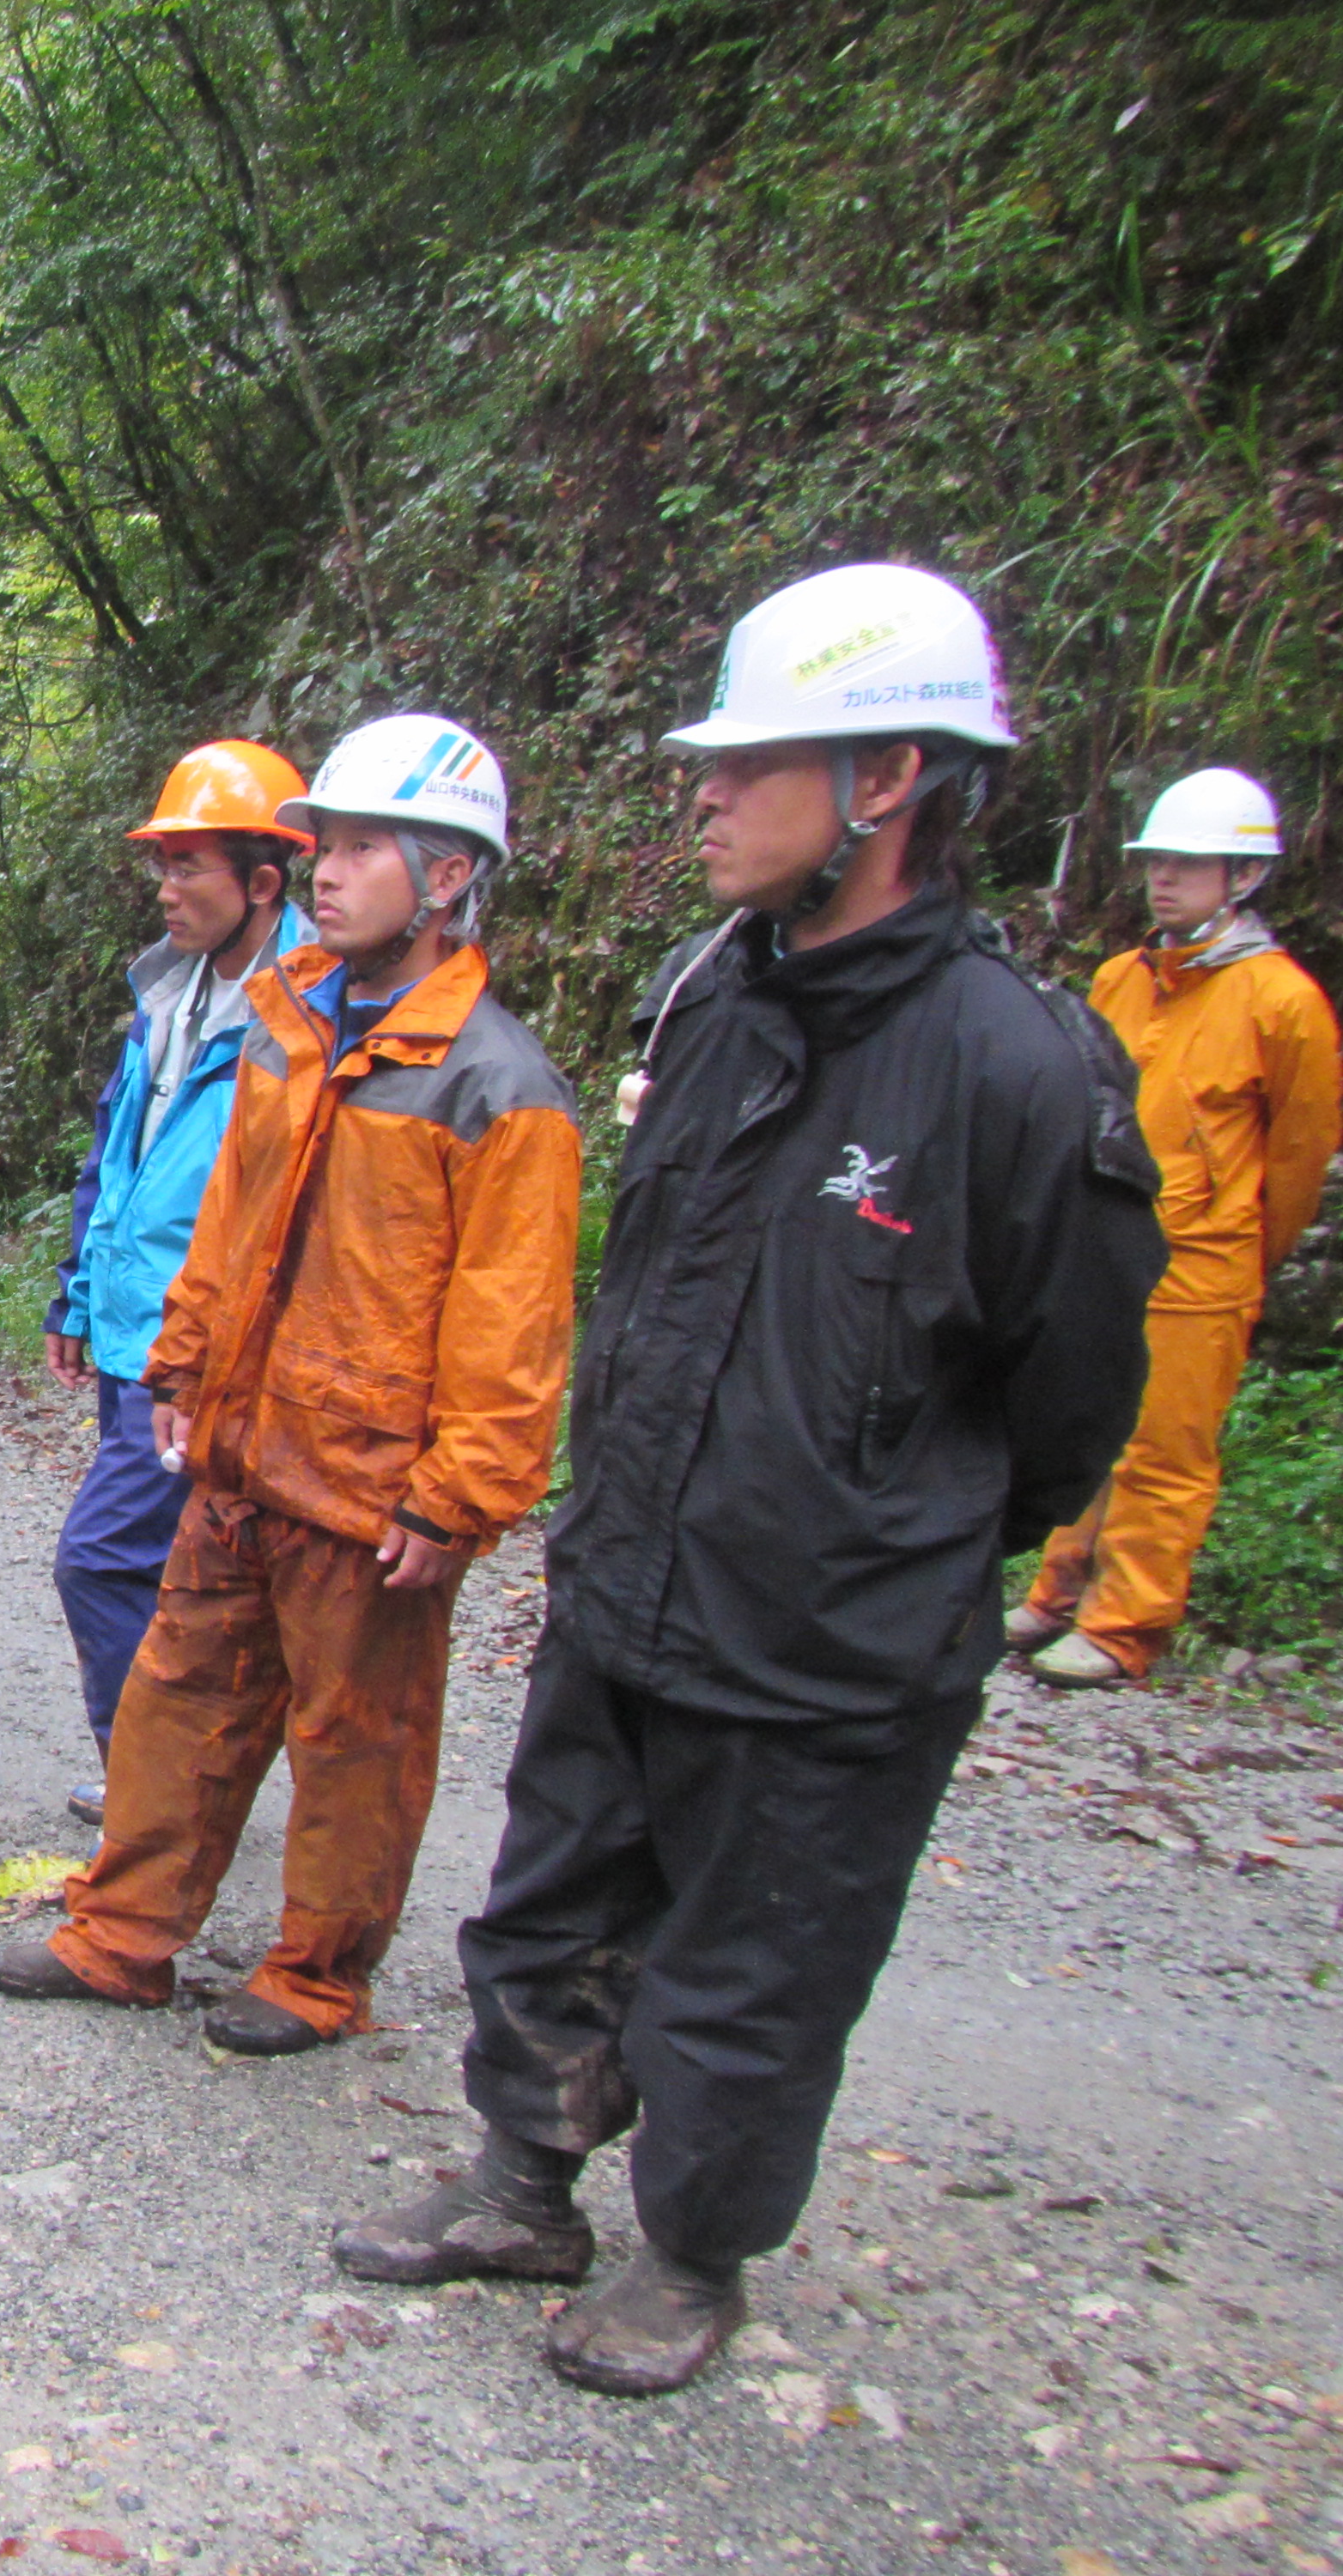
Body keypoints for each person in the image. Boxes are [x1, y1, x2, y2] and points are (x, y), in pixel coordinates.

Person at [333, 564, 1167, 2399]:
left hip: (833, 1638)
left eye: (747, 761)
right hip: (631, 1575)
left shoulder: (1017, 1071)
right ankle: (519, 2181)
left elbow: (1071, 1397)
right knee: (544, 1899)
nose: (697, 794)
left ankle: (690, 2255)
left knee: (749, 1971)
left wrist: (885, 1526)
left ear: (881, 781)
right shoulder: (703, 995)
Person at [0, 715, 580, 2056]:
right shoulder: (284, 1028)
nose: (325, 869)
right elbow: (228, 1229)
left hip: (372, 1492)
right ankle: (123, 1937)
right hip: (241, 1454)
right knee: (177, 1700)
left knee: (355, 1746)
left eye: (363, 848)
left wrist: (459, 1500)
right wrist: (184, 1370)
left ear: (446, 880)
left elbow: (515, 1324)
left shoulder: (498, 1085)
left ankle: (315, 1978)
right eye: (322, 844)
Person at [1014, 768, 1337, 1686]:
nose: (1164, 879)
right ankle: (1054, 1592)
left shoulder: (1282, 1003)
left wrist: (1244, 1254)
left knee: (1164, 1447)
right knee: (1083, 1420)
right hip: (1106, 1247)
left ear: (1241, 877)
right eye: (1157, 862)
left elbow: (1300, 1154)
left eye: (1187, 865)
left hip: (1203, 1261)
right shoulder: (1122, 978)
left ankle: (1125, 1626)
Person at [42, 741, 314, 1826]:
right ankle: (181, 1776)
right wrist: (75, 1289)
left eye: (190, 865)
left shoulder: (309, 1013)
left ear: (264, 881)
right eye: (162, 863)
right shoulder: (169, 990)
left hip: (204, 1354)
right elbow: (120, 1153)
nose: (166, 887)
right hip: (132, 1330)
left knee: (100, 1559)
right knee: (172, 1573)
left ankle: (154, 1786)